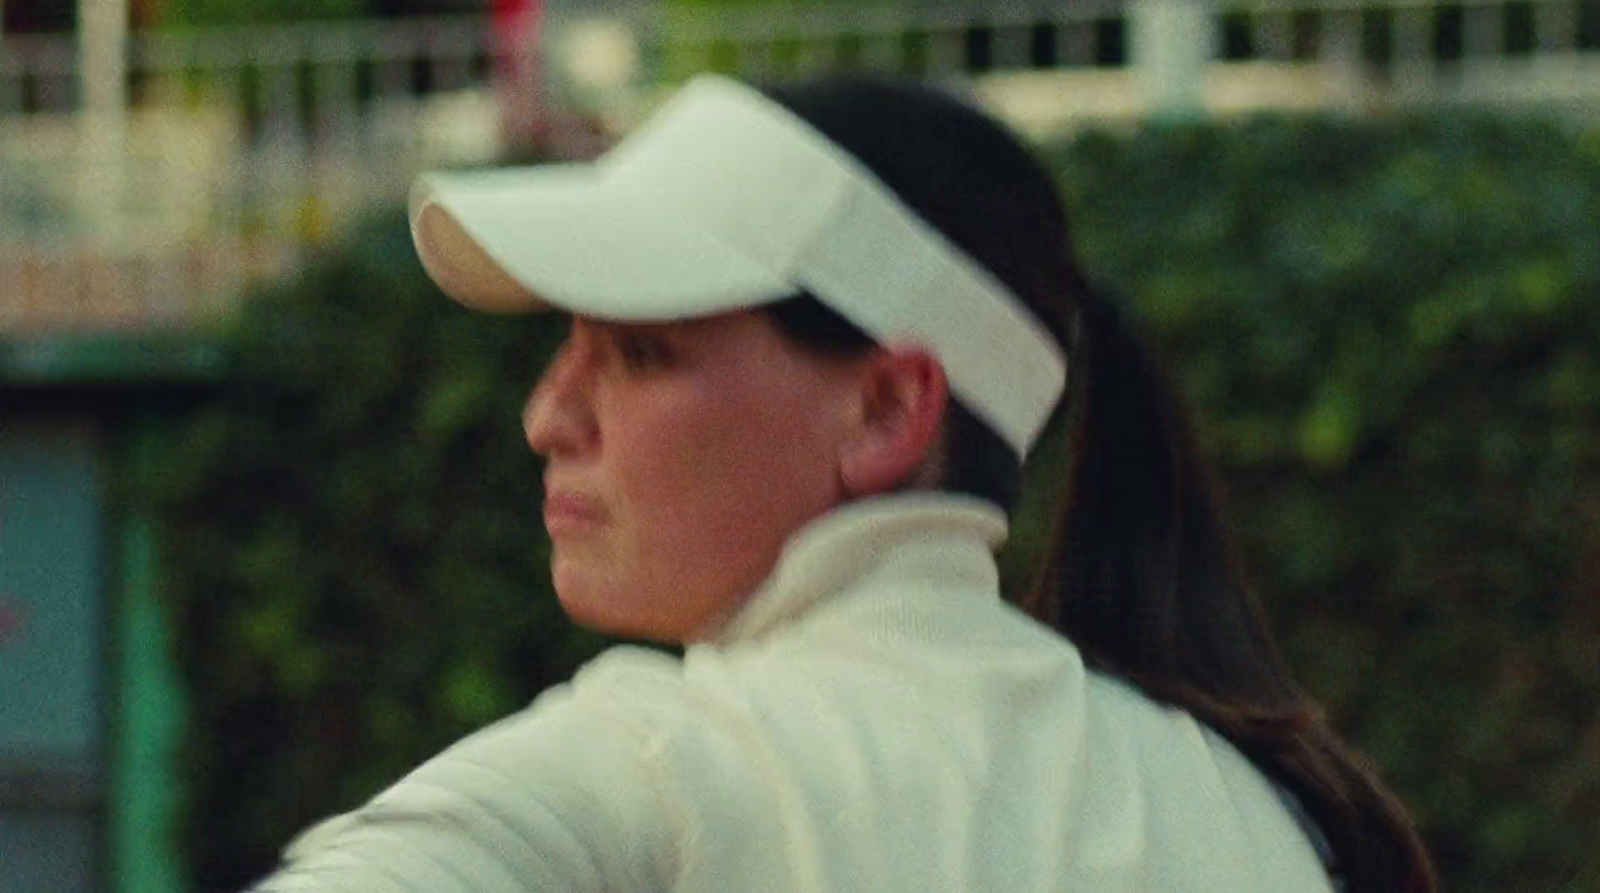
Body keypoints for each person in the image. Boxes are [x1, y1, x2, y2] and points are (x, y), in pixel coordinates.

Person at [248, 73, 1437, 892]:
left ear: (884, 408)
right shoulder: (1253, 808)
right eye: (566, 349)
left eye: (640, 352)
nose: (548, 414)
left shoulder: (659, 761)